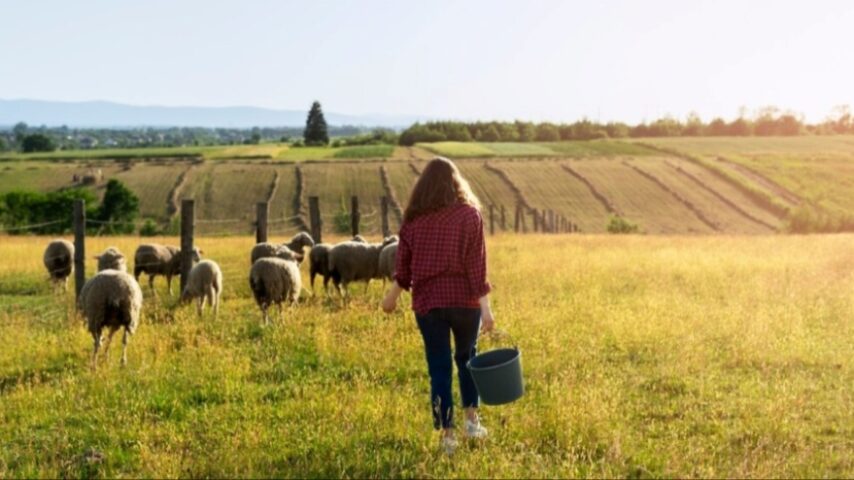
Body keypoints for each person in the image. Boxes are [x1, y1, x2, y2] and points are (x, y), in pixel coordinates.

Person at [381, 156, 495, 455]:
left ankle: (447, 437)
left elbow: (403, 270)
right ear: (456, 182)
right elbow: (476, 267)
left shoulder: (413, 221)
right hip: (465, 303)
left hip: (429, 305)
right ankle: (472, 421)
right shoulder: (470, 216)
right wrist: (486, 309)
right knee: (468, 359)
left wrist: (391, 297)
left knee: (439, 368)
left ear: (423, 186)